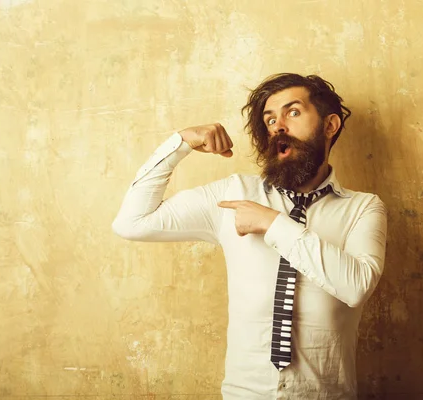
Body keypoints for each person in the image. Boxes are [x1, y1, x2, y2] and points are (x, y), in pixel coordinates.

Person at [112, 73, 387, 399]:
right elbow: (132, 222)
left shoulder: (363, 208)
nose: (278, 126)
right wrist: (180, 143)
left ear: (329, 126)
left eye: (293, 112)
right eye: (270, 119)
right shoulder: (234, 193)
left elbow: (356, 287)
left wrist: (275, 224)